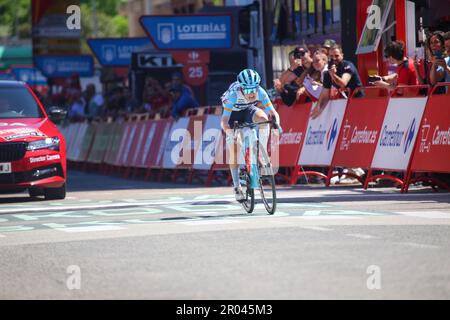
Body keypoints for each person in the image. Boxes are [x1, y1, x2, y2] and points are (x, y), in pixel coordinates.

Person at [220, 69, 282, 202]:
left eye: (254, 89)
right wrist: (229, 132)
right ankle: (237, 187)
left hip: (248, 110)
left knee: (264, 118)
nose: (252, 93)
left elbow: (273, 113)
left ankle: (261, 152)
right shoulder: (233, 95)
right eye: (248, 91)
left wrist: (277, 124)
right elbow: (224, 121)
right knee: (235, 151)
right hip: (232, 115)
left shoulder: (260, 91)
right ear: (242, 88)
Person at [310, 45, 363, 119]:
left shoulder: (347, 65)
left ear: (342, 55)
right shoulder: (327, 72)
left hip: (358, 101)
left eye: (337, 56)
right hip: (345, 103)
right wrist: (319, 107)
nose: (334, 58)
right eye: (331, 56)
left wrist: (333, 75)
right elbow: (325, 93)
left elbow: (343, 83)